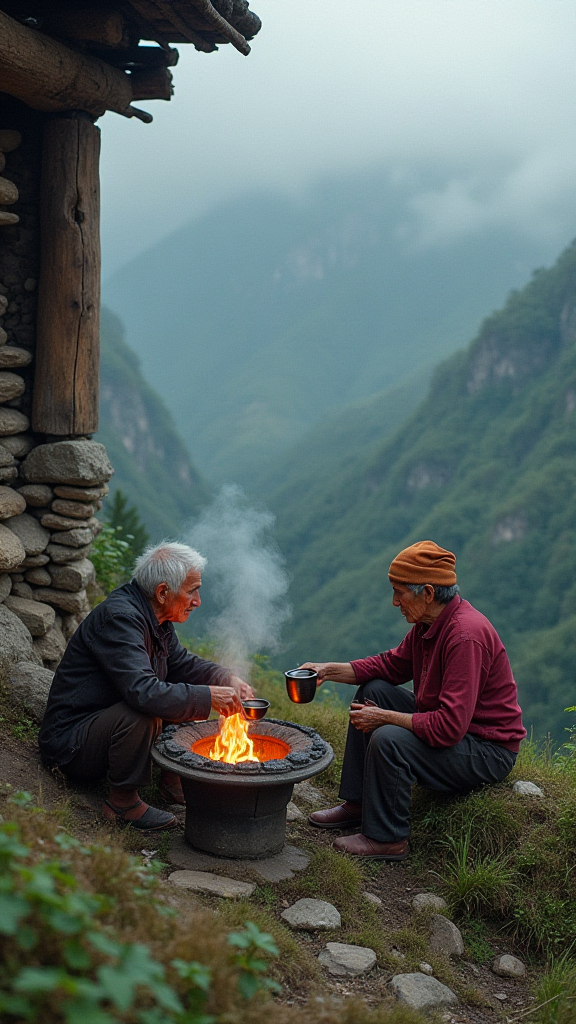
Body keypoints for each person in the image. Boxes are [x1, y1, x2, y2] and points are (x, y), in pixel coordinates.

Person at [302, 540, 525, 860]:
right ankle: (359, 804)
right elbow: (390, 666)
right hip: (455, 728)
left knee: (388, 738)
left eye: (400, 592)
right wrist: (328, 670)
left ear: (429, 593)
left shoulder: (465, 635)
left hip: (486, 749)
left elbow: (449, 728)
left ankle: (388, 838)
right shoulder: (428, 624)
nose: (394, 602)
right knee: (373, 690)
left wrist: (386, 718)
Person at [39, 542, 253, 831]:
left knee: (182, 690)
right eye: (192, 591)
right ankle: (122, 803)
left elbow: (181, 663)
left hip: (101, 728)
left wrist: (226, 678)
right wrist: (208, 697)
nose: (198, 600)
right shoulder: (122, 618)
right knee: (146, 709)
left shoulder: (157, 618)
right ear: (163, 592)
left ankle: (172, 778)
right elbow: (142, 691)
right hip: (72, 745)